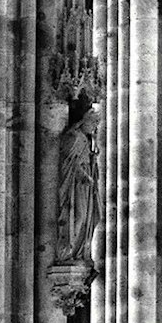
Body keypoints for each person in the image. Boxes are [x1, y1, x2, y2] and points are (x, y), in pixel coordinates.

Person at [56, 96, 101, 262]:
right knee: (79, 216)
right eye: (93, 123)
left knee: (90, 217)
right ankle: (69, 251)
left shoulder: (87, 140)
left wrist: (93, 160)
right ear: (84, 121)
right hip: (75, 185)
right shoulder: (74, 137)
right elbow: (69, 163)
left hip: (85, 185)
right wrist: (85, 175)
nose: (95, 128)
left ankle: (81, 250)